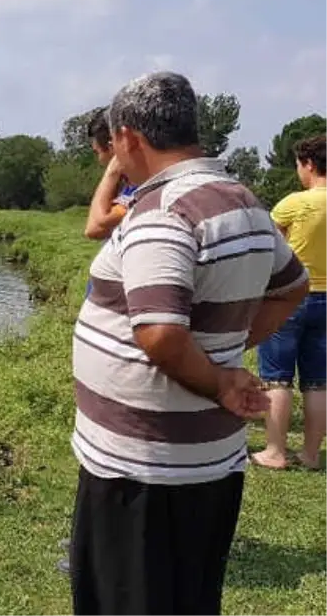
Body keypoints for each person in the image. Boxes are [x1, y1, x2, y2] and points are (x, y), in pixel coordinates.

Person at [69, 71, 308, 616]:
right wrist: (221, 351)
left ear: (128, 137)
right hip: (201, 461)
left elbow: (159, 332)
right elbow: (291, 288)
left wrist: (219, 376)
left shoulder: (162, 213)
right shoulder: (240, 199)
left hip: (145, 469)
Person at [252, 134, 327, 471]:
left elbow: (267, 248)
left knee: (277, 377)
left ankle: (275, 452)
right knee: (319, 380)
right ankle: (311, 455)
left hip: (291, 297)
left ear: (309, 164)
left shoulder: (293, 204)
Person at [84, 106, 137, 240]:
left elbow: (94, 229)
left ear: (112, 147)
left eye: (98, 153)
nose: (99, 160)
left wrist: (111, 173)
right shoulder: (129, 185)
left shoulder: (140, 187)